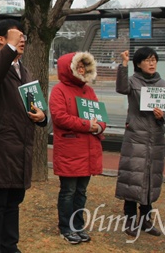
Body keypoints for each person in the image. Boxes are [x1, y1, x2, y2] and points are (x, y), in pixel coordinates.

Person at [0, 19, 47, 253]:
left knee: (14, 202)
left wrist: (43, 116)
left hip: (21, 148)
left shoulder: (24, 71)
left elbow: (37, 104)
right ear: (2, 41)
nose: (22, 39)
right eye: (17, 35)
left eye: (23, 35)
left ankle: (9, 246)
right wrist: (10, 50)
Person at [115, 48, 165, 238]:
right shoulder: (133, 82)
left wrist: (162, 116)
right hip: (135, 137)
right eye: (147, 60)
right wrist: (123, 65)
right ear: (139, 63)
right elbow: (121, 88)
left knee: (151, 179)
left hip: (156, 138)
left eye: (154, 60)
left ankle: (146, 220)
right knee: (133, 178)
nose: (151, 63)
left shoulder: (163, 84)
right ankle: (130, 219)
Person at [49, 51, 106, 244]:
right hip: (70, 150)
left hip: (88, 148)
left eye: (84, 67)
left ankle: (78, 225)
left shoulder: (88, 90)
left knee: (81, 192)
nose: (81, 70)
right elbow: (59, 117)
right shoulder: (59, 90)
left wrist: (99, 126)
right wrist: (86, 125)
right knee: (68, 191)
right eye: (78, 67)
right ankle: (66, 227)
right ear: (69, 68)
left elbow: (100, 116)